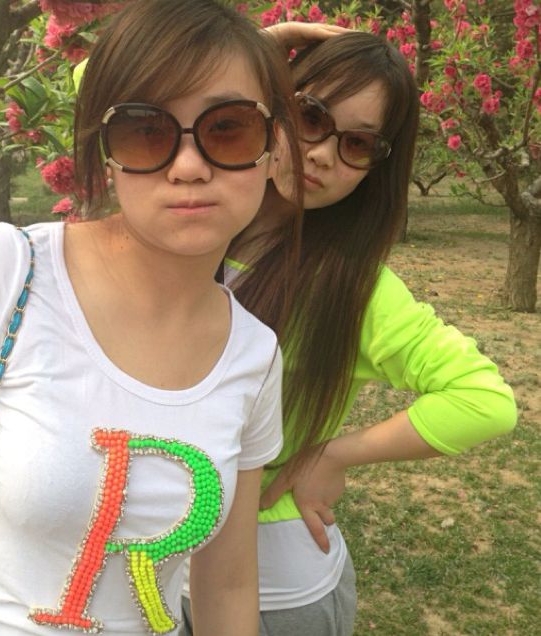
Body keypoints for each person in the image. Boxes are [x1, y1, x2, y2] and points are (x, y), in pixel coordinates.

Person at [0, 1, 305, 634]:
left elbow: (227, 584)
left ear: (275, 147)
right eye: (145, 130)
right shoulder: (5, 275)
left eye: (229, 128)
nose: (189, 166)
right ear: (106, 153)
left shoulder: (253, 355)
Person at [181, 30, 517, 636]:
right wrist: (251, 47)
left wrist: (333, 453)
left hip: (274, 589)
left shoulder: (353, 287)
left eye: (357, 143)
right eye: (310, 116)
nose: (320, 154)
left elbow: (484, 399)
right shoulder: (189, 224)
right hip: (151, 569)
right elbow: (109, 85)